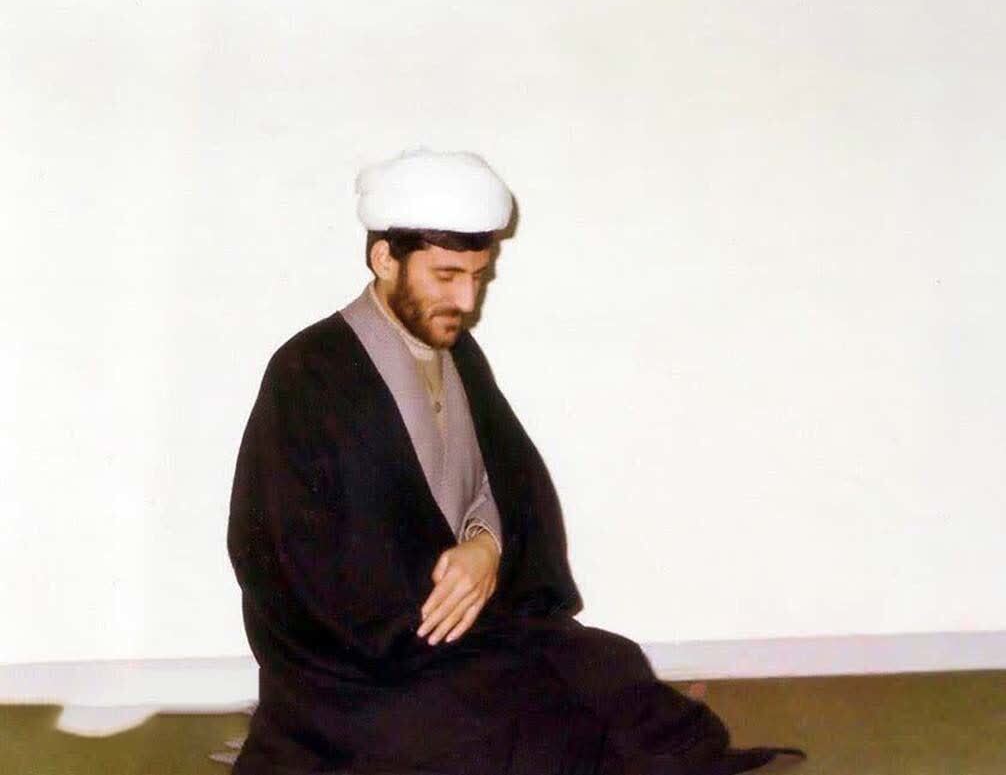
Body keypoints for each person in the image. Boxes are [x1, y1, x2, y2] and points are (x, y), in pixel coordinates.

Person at [227, 148, 804, 774]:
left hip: (472, 635)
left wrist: (487, 547)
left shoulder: (458, 353)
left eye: (479, 276)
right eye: (447, 275)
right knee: (516, 728)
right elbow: (283, 556)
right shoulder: (308, 374)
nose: (466, 299)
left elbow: (503, 484)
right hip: (356, 669)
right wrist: (418, 621)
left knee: (607, 667)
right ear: (385, 259)